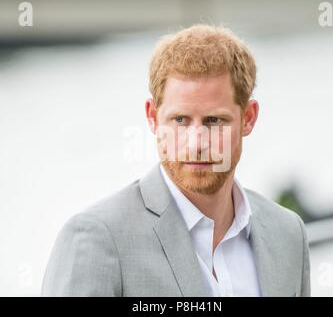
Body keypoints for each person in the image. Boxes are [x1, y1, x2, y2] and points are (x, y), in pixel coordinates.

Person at [41, 24, 310, 297]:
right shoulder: (96, 238)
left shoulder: (288, 233)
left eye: (214, 121)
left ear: (248, 118)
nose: (196, 144)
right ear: (152, 117)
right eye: (180, 120)